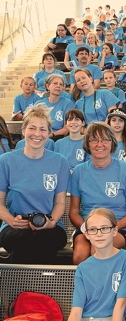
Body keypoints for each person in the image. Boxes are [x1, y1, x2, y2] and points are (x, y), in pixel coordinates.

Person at [0, 104, 69, 264]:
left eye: (43, 129)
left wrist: (51, 222)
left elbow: (59, 202)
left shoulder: (60, 162)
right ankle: (28, 287)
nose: (37, 134)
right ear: (23, 131)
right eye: (32, 128)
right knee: (24, 240)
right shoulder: (6, 161)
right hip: (15, 225)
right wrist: (11, 220)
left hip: (50, 225)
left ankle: (33, 287)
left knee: (45, 240)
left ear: (49, 133)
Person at [69, 122, 126, 265]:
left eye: (105, 139)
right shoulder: (79, 171)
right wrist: (88, 229)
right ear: (87, 144)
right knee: (80, 255)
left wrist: (110, 229)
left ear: (112, 143)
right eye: (94, 140)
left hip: (118, 228)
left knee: (98, 250)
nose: (99, 144)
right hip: (88, 228)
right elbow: (74, 212)